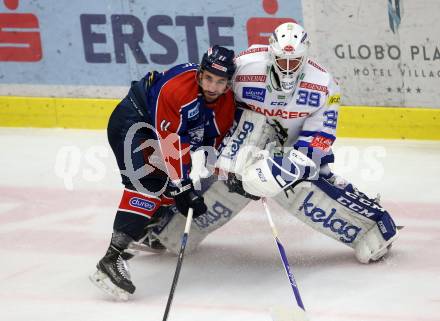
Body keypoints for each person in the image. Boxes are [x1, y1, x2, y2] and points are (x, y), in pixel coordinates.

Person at [151, 22, 399, 267]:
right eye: (282, 60)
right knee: (225, 179)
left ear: (305, 56)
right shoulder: (245, 67)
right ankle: (168, 232)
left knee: (303, 188)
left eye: (295, 61)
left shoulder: (324, 84)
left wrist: (286, 168)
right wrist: (224, 149)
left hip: (293, 149)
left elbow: (321, 136)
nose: (288, 68)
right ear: (271, 53)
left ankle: (374, 227)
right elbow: (216, 98)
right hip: (249, 138)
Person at [89, 45, 237, 300]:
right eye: (209, 78)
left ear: (228, 84)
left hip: (164, 135)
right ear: (200, 74)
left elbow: (213, 146)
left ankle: (147, 230)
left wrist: (224, 173)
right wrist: (182, 185)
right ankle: (111, 260)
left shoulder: (226, 105)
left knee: (176, 184)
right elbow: (169, 142)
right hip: (136, 121)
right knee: (150, 183)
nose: (213, 86)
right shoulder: (176, 89)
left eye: (220, 81)